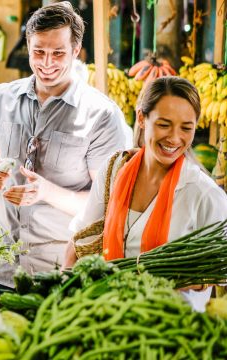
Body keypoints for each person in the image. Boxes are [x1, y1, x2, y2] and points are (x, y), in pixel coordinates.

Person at [0, 2, 127, 292]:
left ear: (76, 51)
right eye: (39, 52)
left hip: (57, 275)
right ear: (28, 46)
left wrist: (48, 192)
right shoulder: (0, 99)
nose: (47, 63)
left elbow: (109, 204)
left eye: (58, 53)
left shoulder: (101, 115)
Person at [68, 76, 227, 310]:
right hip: (109, 312)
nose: (174, 138)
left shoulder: (203, 194)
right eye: (164, 124)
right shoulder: (114, 170)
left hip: (173, 324)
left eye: (186, 128)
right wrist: (63, 285)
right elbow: (80, 237)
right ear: (142, 118)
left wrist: (175, 275)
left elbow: (219, 271)